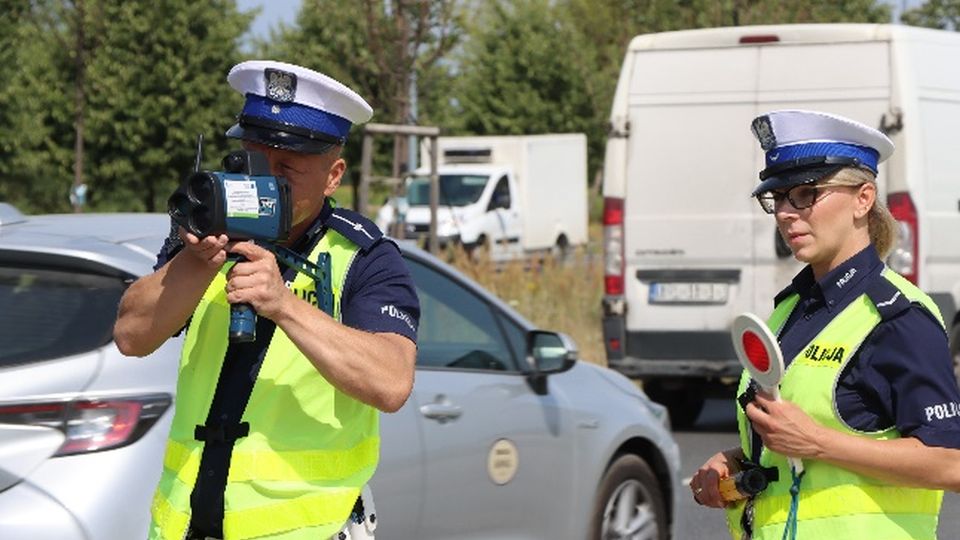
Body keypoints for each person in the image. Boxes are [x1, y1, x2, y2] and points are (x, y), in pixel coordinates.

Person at [114, 60, 419, 540]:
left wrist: (285, 304)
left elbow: (391, 382)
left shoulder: (362, 255)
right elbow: (131, 336)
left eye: (287, 168)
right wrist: (195, 264)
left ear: (333, 175)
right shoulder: (205, 237)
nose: (263, 182)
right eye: (251, 160)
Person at [689, 109, 960, 539]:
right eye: (777, 197)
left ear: (863, 199)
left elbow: (951, 462)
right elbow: (802, 451)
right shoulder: (789, 309)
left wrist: (818, 443)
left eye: (805, 194)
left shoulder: (899, 316)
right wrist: (739, 463)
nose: (785, 213)